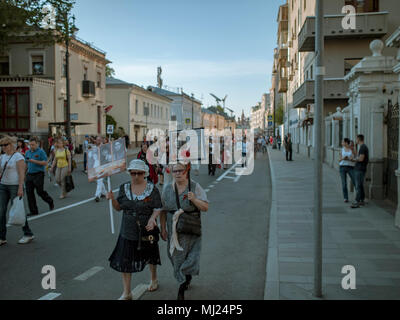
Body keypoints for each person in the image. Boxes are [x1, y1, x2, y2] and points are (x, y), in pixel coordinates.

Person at [107, 159, 163, 300]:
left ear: (145, 173)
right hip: (128, 229)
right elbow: (119, 208)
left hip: (147, 228)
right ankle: (127, 292)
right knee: (125, 259)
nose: (136, 176)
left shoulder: (152, 189)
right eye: (133, 173)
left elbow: (158, 207)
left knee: (150, 255)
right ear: (130, 173)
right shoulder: (123, 188)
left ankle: (154, 278)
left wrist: (152, 218)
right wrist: (112, 200)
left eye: (139, 173)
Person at [160, 162, 209, 300]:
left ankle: (181, 288)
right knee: (176, 258)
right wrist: (163, 228)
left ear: (186, 171)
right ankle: (185, 277)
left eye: (180, 170)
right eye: (175, 171)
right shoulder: (167, 189)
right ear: (171, 173)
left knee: (191, 257)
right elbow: (163, 210)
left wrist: (193, 199)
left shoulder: (195, 187)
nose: (178, 173)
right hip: (174, 230)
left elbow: (205, 207)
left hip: (191, 228)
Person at [0, 136, 35, 245]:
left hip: (15, 185)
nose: (3, 147)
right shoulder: (2, 157)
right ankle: (2, 237)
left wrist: (20, 187)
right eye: (1, 145)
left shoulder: (18, 157)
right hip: (3, 185)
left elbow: (21, 174)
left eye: (5, 145)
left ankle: (28, 233)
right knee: (1, 211)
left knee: (17, 209)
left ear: (11, 145)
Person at [25, 137, 54, 217]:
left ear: (37, 144)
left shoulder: (41, 152)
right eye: (30, 145)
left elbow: (45, 163)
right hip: (29, 174)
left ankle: (49, 201)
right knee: (29, 193)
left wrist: (33, 161)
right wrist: (23, 174)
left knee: (39, 191)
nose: (31, 146)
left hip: (39, 174)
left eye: (33, 145)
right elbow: (26, 164)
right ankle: (33, 210)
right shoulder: (27, 152)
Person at [351, 135, 369, 208]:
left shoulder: (363, 147)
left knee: (358, 185)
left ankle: (357, 201)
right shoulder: (362, 147)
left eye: (356, 139)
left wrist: (354, 160)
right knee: (360, 185)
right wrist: (354, 147)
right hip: (360, 168)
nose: (356, 140)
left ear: (358, 139)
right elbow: (358, 155)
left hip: (360, 169)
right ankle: (362, 199)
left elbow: (361, 159)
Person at [339, 138, 356, 203]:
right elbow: (339, 159)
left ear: (346, 143)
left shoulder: (351, 149)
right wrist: (343, 158)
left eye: (343, 142)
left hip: (350, 167)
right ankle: (345, 198)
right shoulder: (342, 150)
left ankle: (358, 197)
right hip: (342, 167)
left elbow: (355, 157)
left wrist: (350, 158)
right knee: (344, 183)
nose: (342, 143)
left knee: (355, 181)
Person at [94, 136, 107, 202]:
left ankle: (97, 195)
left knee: (99, 180)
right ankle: (104, 193)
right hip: (95, 165)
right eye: (97, 140)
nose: (98, 141)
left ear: (101, 140)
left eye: (99, 140)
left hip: (102, 165)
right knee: (97, 180)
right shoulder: (94, 147)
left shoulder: (104, 147)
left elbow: (106, 156)